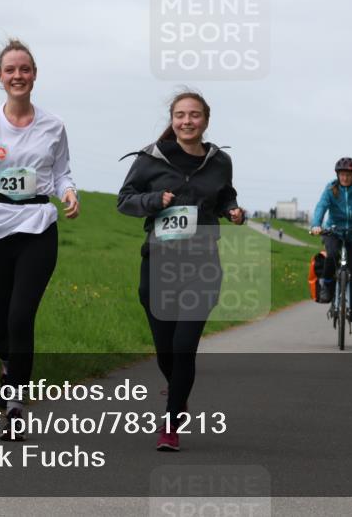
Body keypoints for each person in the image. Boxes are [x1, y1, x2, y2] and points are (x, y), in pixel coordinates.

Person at [0, 38, 80, 440]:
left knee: (21, 317)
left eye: (24, 69)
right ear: (0, 78)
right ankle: (9, 366)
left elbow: (62, 173)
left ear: (35, 74)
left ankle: (15, 403)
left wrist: (68, 192)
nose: (18, 76)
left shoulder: (53, 125)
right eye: (10, 70)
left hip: (38, 226)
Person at [117, 91, 246, 452]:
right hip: (158, 264)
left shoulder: (220, 161)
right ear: (172, 120)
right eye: (180, 115)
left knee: (184, 347)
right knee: (166, 351)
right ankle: (179, 391)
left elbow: (225, 195)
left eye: (194, 115)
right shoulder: (150, 159)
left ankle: (171, 424)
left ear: (206, 120)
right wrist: (153, 201)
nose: (187, 122)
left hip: (202, 265)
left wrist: (233, 210)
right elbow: (124, 200)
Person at [309, 158, 352, 335]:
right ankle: (326, 284)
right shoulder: (331, 188)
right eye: (342, 174)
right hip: (334, 231)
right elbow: (321, 207)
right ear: (337, 174)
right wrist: (316, 225)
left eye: (348, 175)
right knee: (331, 255)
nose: (345, 178)